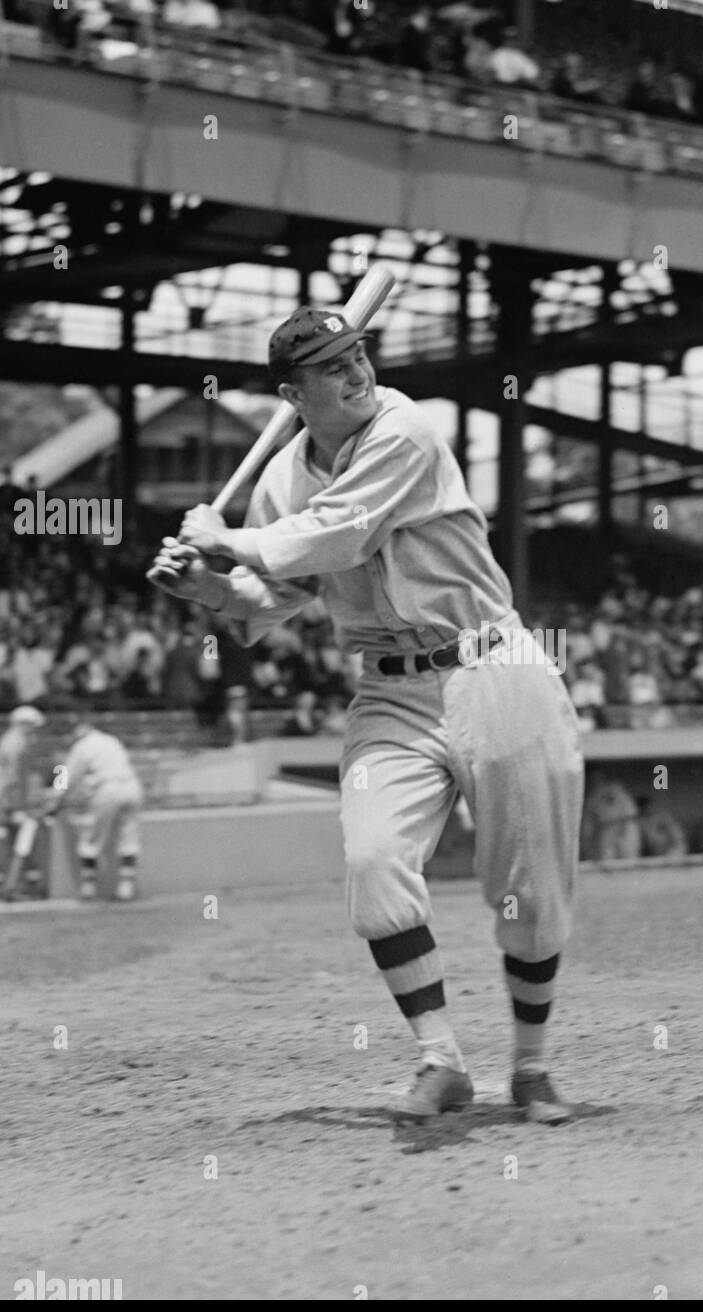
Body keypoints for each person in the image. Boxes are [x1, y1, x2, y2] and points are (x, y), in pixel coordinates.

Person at [149, 305, 584, 1125]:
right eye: (334, 366)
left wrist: (224, 537)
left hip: (495, 668)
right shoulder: (282, 477)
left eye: (358, 356)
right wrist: (204, 585)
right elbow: (276, 596)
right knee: (376, 865)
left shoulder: (406, 427)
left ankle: (531, 1066)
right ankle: (441, 1059)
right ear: (293, 392)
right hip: (390, 687)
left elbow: (339, 535)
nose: (358, 373)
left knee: (528, 893)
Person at [45, 709, 145, 902]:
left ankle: (88, 888)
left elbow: (66, 777)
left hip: (108, 789)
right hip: (132, 787)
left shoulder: (82, 747)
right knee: (129, 837)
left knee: (91, 839)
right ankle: (126, 887)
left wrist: (55, 800)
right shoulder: (110, 740)